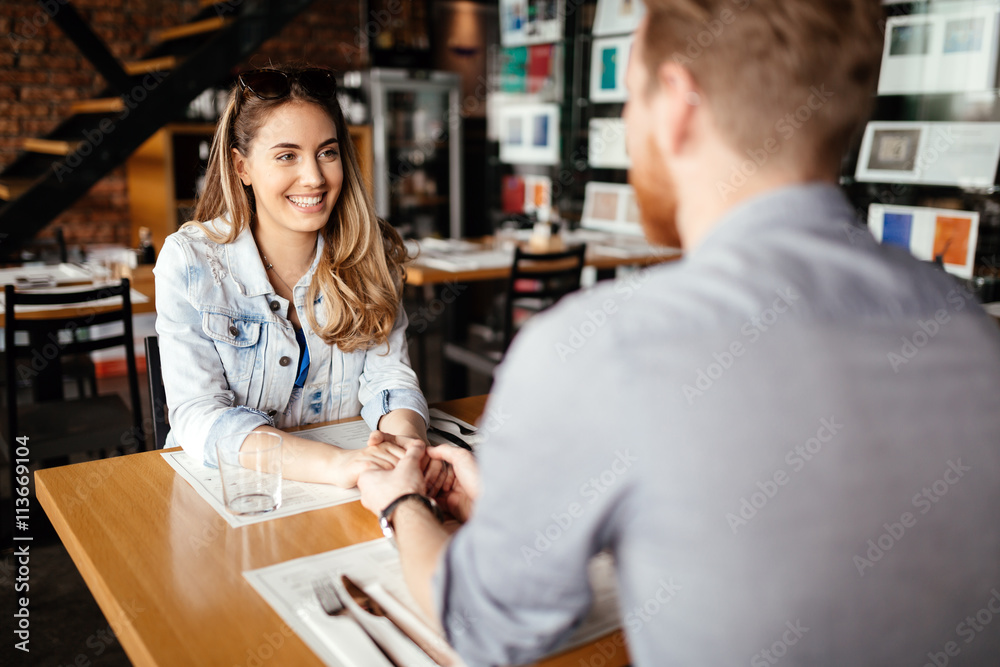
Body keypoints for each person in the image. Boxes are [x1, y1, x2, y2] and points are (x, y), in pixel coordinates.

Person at [356, 1, 1000, 665]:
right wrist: (520, 503)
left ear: (678, 105)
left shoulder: (600, 350)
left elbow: (481, 624)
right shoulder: (971, 332)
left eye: (631, 99)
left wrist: (403, 499)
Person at [155, 66, 443, 489]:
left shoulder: (368, 251)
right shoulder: (191, 260)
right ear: (242, 167)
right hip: (232, 492)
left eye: (327, 152)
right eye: (287, 155)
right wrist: (338, 467)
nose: (314, 177)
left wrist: (405, 450)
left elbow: (389, 379)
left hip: (353, 482)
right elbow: (200, 414)